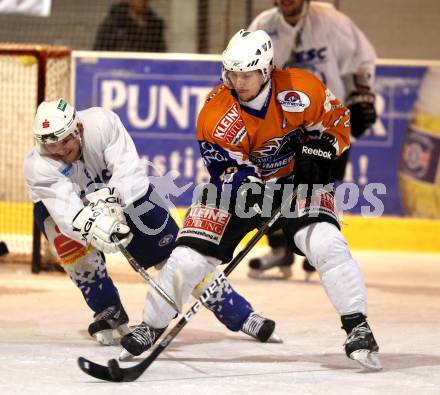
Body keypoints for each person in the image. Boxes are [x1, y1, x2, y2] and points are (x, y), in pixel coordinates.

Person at [120, 29, 381, 370]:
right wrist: (259, 192)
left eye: (247, 74)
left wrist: (323, 150)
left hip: (294, 184)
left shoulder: (302, 88)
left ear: (267, 70)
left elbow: (338, 122)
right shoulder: (216, 113)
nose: (239, 82)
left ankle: (357, 326)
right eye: (233, 74)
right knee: (185, 258)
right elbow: (228, 173)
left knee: (328, 244)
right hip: (238, 190)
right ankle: (151, 326)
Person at [23, 98, 281, 352]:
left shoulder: (102, 123)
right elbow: (66, 212)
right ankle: (107, 309)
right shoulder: (38, 165)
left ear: (78, 129)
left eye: (65, 141)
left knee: (179, 259)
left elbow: (128, 172)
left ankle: (239, 313)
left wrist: (111, 204)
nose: (59, 150)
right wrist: (95, 225)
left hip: (129, 196)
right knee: (80, 260)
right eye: (51, 145)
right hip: (72, 210)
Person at [247, 0, 377, 279]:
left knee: (320, 187)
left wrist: (362, 96)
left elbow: (362, 59)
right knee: (272, 186)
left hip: (327, 121)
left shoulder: (331, 21)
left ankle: (315, 250)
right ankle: (280, 250)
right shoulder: (263, 26)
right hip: (283, 124)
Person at [93, 0, 166, 52]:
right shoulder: (113, 22)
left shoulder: (155, 25)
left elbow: (160, 53)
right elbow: (99, 51)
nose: (140, 1)